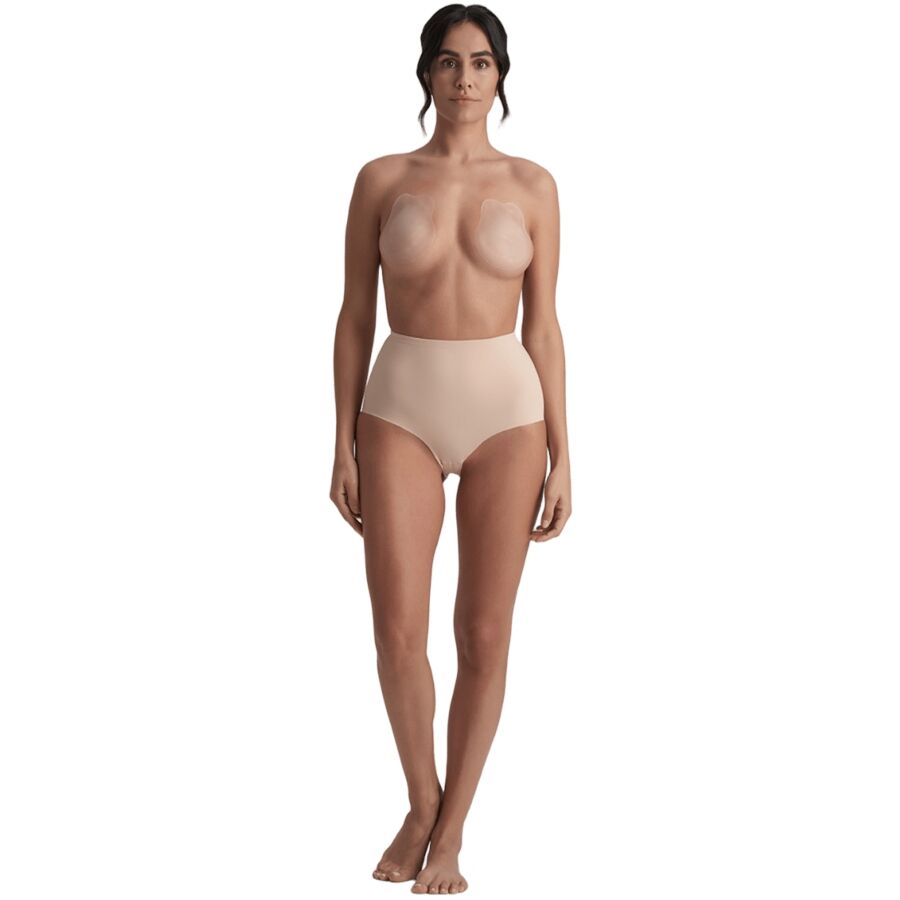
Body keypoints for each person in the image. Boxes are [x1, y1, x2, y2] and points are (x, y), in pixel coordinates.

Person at [330, 5, 572, 893]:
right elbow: (354, 317)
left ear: (500, 76)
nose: (464, 78)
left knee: (484, 632)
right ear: (426, 74)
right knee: (397, 631)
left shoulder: (535, 185)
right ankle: (421, 800)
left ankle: (453, 830)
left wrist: (566, 453)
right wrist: (342, 440)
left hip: (509, 415)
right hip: (399, 407)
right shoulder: (381, 178)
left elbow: (543, 326)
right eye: (447, 61)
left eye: (480, 63)